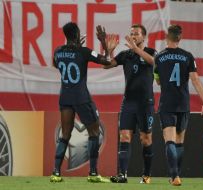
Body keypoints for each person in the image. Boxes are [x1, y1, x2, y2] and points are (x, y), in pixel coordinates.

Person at [50, 22, 112, 183]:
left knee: (65, 135)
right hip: (82, 98)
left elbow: (55, 64)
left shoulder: (58, 51)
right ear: (77, 34)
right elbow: (106, 60)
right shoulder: (84, 51)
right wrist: (103, 42)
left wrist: (72, 49)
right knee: (94, 132)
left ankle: (55, 173)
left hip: (65, 97)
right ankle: (93, 173)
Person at [100, 24, 156, 183]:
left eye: (136, 34)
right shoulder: (126, 55)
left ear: (143, 37)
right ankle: (122, 175)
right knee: (124, 136)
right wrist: (109, 52)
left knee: (146, 139)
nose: (133, 36)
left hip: (146, 103)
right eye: (131, 34)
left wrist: (137, 50)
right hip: (129, 102)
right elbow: (106, 65)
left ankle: (146, 176)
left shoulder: (151, 52)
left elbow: (154, 62)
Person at [154, 25, 203, 186]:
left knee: (169, 140)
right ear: (180, 38)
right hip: (183, 104)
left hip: (167, 103)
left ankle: (174, 175)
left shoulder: (159, 57)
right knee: (179, 141)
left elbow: (157, 80)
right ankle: (176, 174)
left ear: (167, 37)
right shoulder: (188, 56)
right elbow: (195, 79)